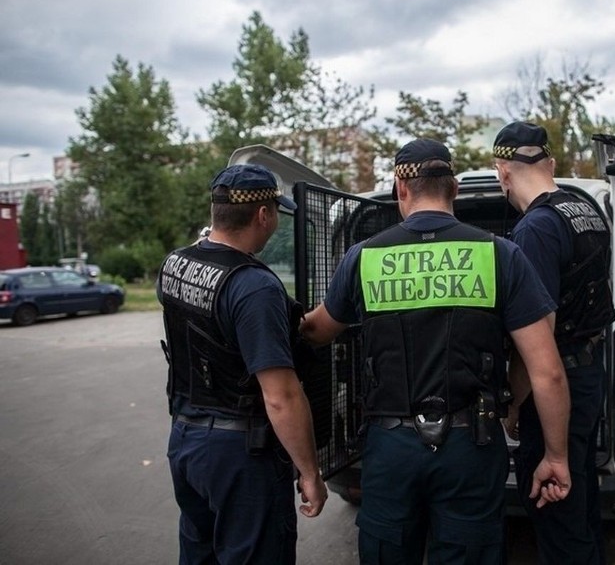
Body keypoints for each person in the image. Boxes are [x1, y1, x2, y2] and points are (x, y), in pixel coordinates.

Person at [300, 138, 570, 564]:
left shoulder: (363, 257)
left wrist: (269, 315)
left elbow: (316, 331)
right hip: (472, 448)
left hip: (390, 448)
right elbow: (547, 372)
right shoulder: (501, 255)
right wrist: (556, 455)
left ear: (401, 189)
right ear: (455, 190)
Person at [157, 163, 327, 564]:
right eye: (276, 215)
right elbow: (281, 396)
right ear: (263, 215)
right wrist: (310, 472)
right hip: (240, 455)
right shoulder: (254, 286)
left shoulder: (174, 265)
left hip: (186, 440)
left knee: (200, 554)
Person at [494, 122, 615, 565]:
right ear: (550, 163)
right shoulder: (585, 210)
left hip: (556, 386)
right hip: (586, 375)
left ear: (502, 172)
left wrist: (512, 403)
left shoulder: (535, 230)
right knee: (580, 510)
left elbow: (537, 343)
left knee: (557, 513)